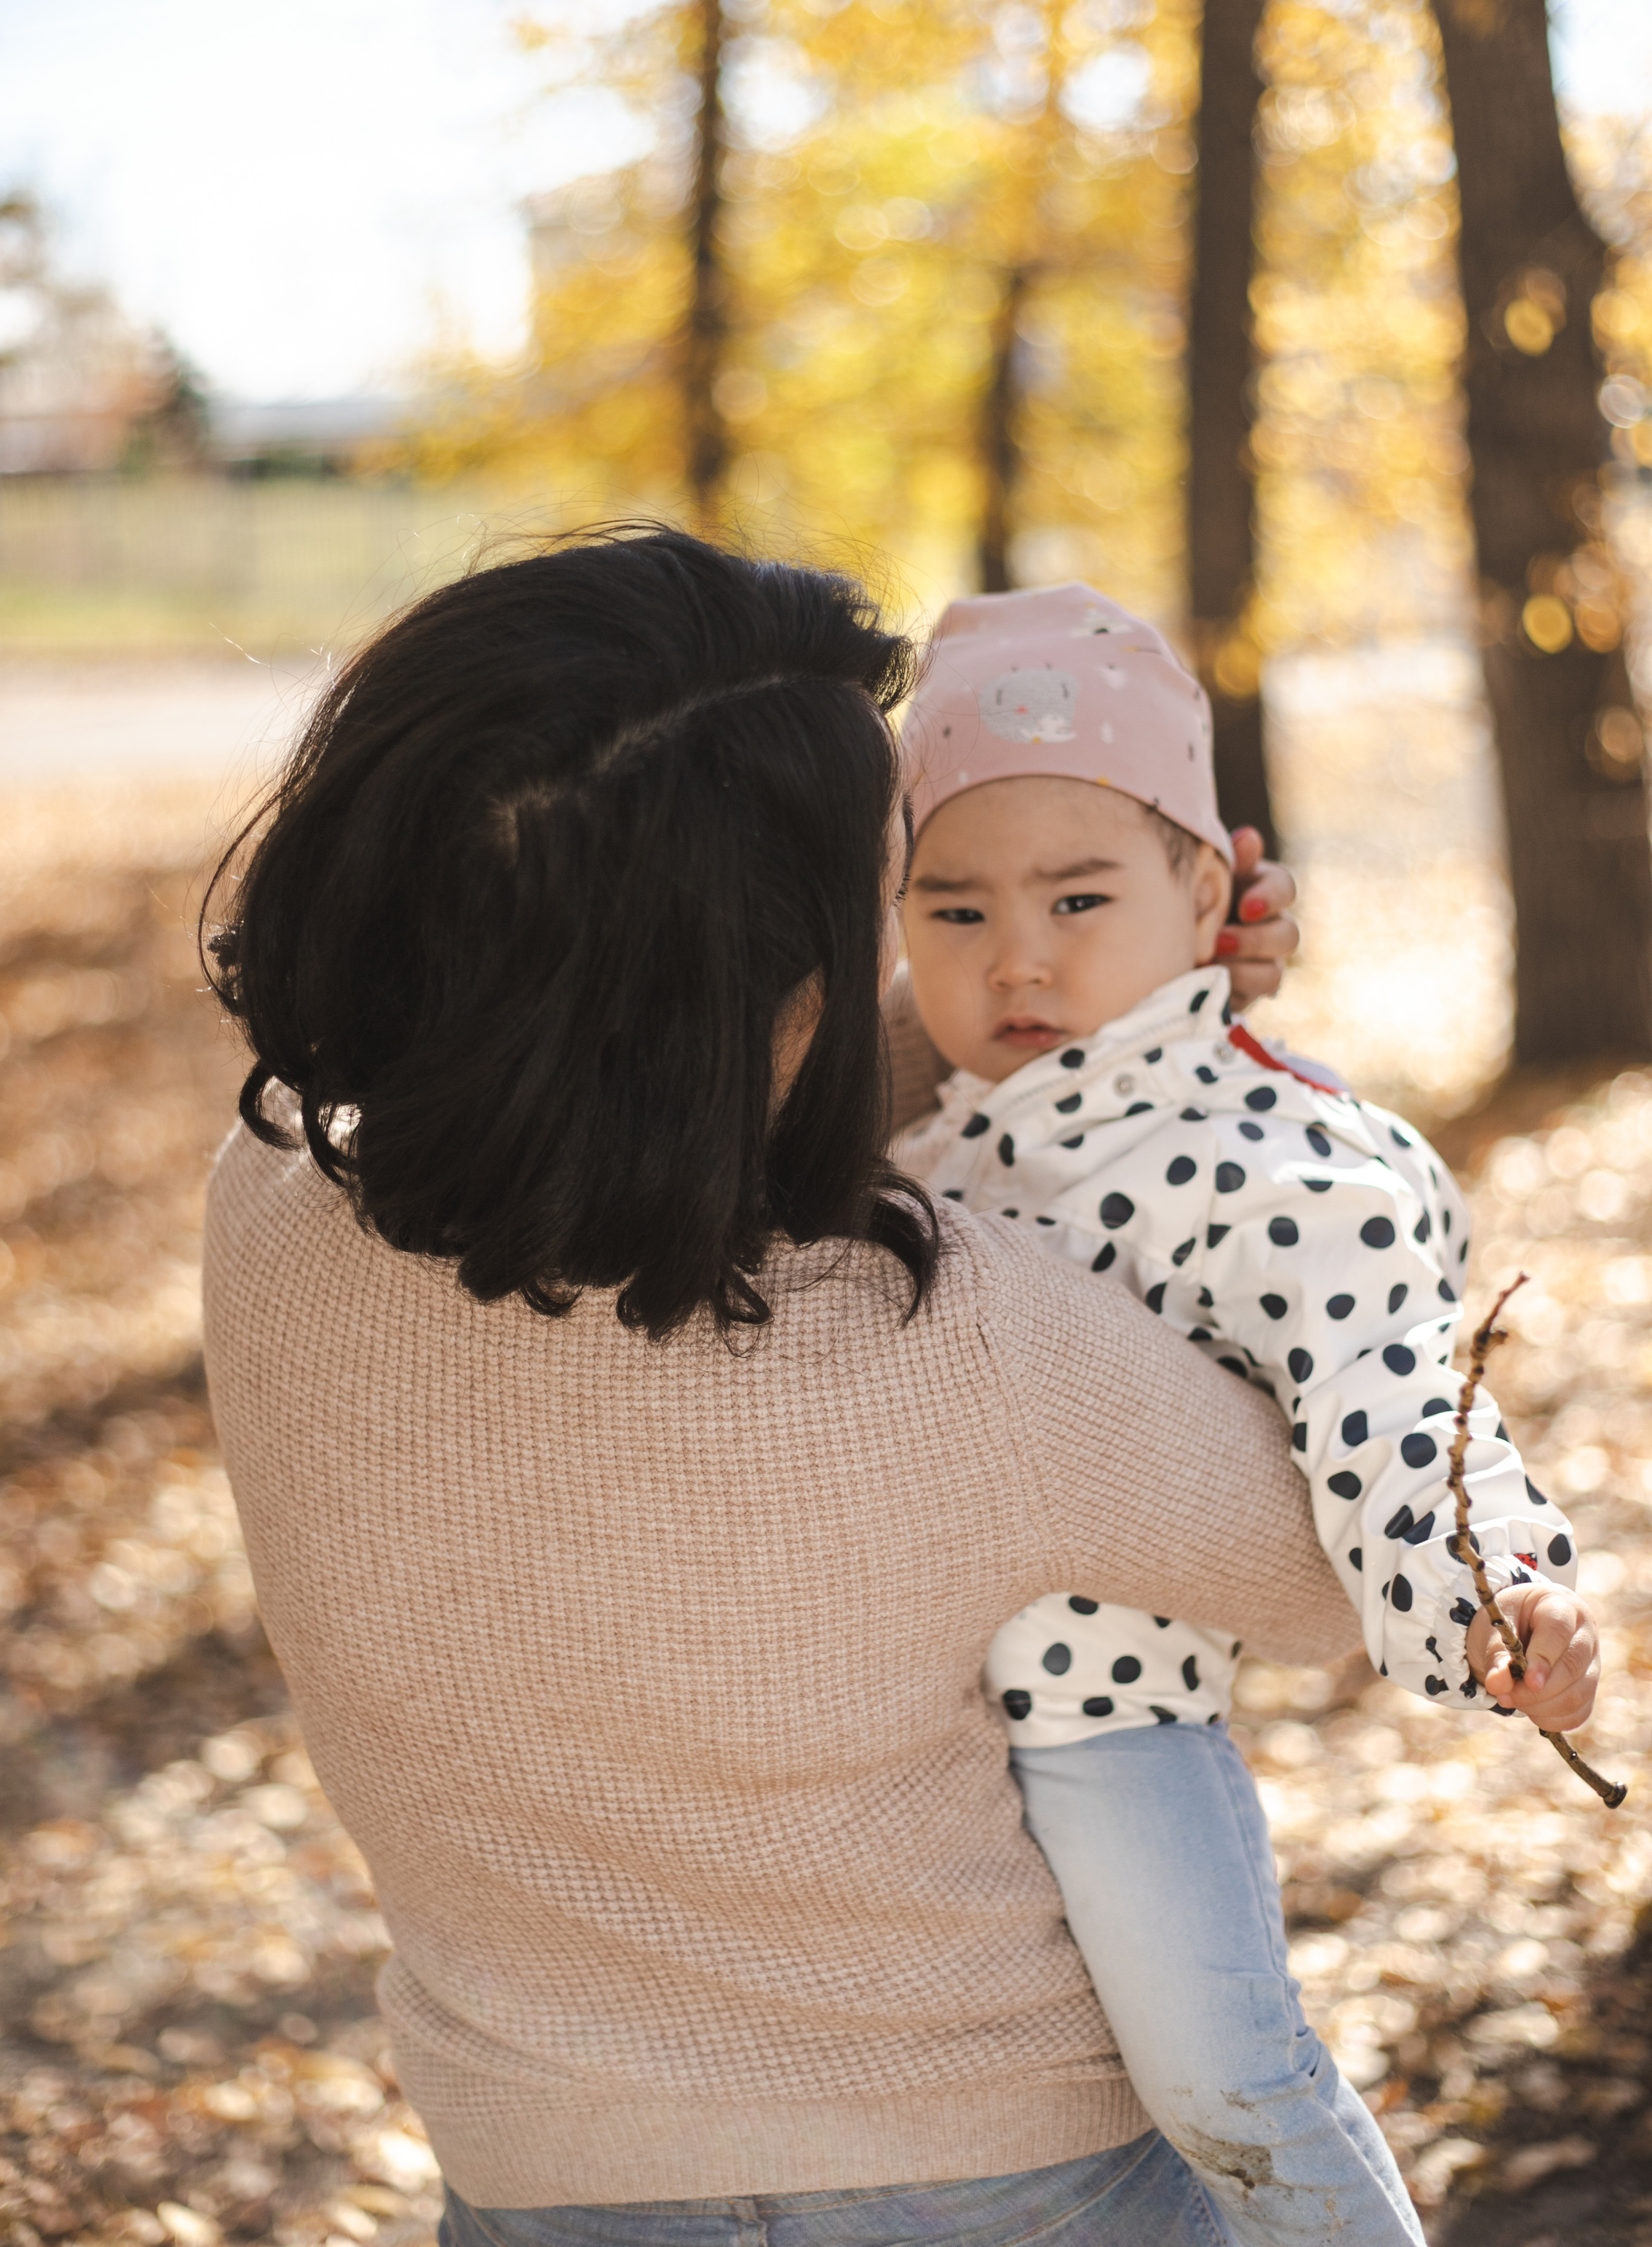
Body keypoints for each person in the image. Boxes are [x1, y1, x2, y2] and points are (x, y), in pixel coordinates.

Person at [201, 528, 1362, 2247]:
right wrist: (1146, 1050)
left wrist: (1031, 1010)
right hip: (1010, 2180)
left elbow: (644, 1094)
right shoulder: (967, 1344)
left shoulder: (272, 1221)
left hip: (545, 2183)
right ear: (784, 1006)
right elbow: (1335, 1580)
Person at [892, 581, 1602, 2247]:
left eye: (1079, 899)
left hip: (1105, 1724)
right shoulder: (929, 1143)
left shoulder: (1268, 1163)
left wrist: (1494, 1595)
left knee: (1225, 2079)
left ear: (1204, 889)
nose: (1022, 960)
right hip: (898, 1723)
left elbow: (1393, 1391)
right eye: (956, 913)